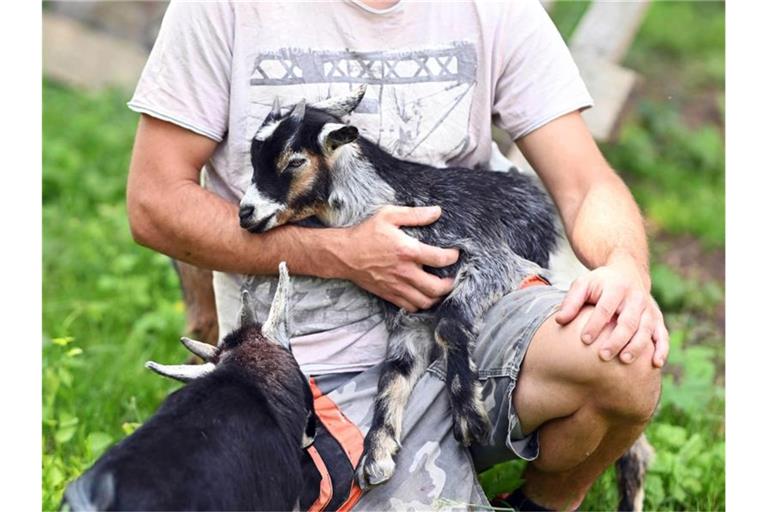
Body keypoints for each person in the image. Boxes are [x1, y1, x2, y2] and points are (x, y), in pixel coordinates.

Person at [126, 1, 667, 510]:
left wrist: (625, 266)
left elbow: (585, 183)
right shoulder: (223, 10)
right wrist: (339, 253)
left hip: (468, 323)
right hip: (305, 369)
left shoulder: (494, 8)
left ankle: (544, 502)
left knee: (626, 358)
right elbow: (154, 201)